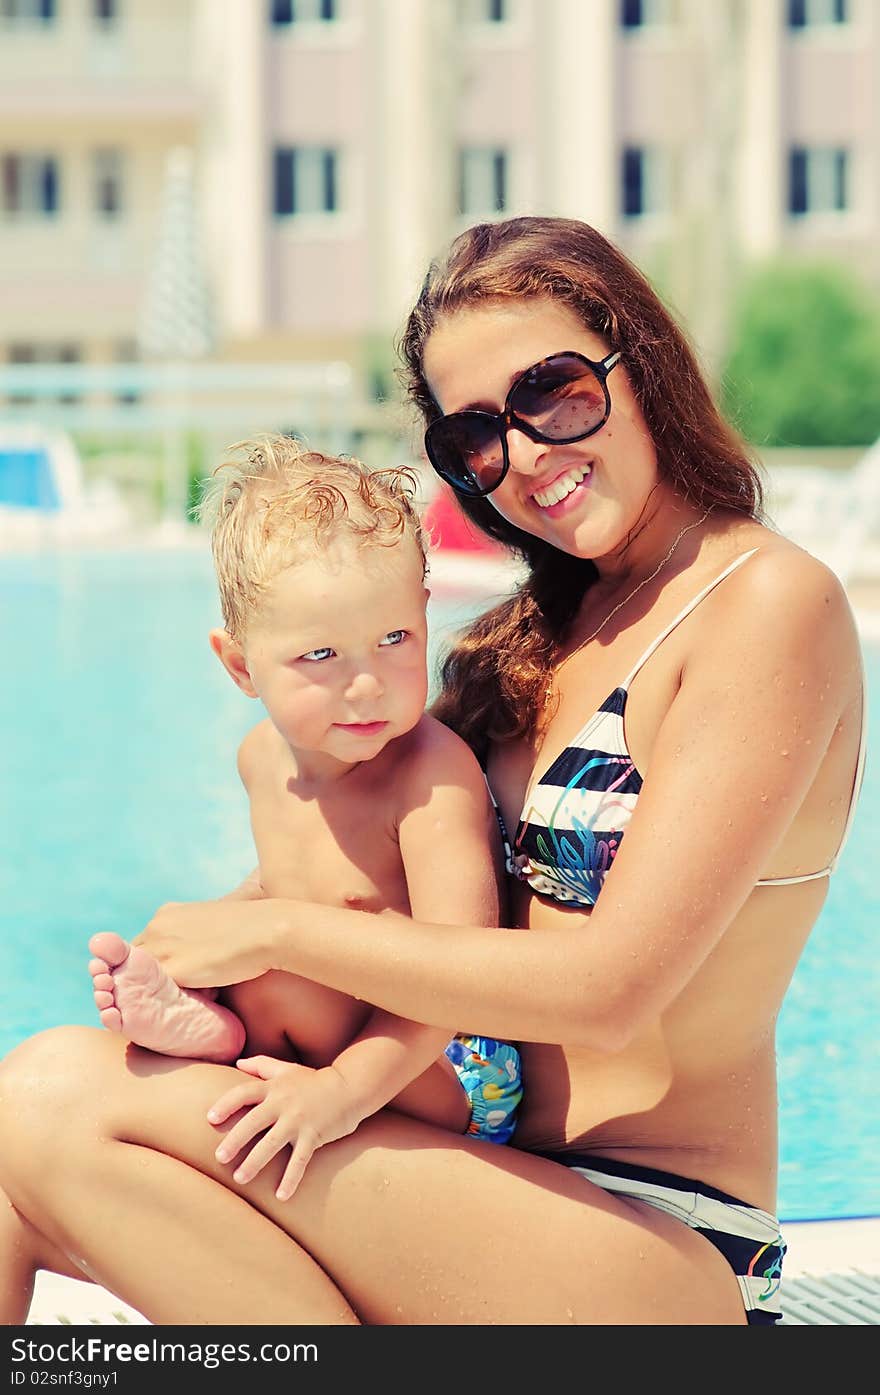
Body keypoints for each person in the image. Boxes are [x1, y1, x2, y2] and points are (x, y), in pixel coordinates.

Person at [0, 216, 866, 1327]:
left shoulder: (759, 607)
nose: (529, 455)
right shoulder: (518, 640)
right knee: (33, 1158)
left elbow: (611, 993)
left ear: (637, 362)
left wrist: (271, 937)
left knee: (50, 1098)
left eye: (553, 391)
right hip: (458, 1171)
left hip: (648, 1239)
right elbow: (362, 883)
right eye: (476, 439)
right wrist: (208, 972)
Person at [87, 438, 522, 1200]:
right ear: (241, 666)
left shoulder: (430, 775)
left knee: (291, 971)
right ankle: (213, 1021)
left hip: (449, 1063)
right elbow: (287, 884)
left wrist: (342, 1092)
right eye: (320, 654)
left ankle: (232, 1034)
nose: (366, 686)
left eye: (394, 640)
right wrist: (197, 945)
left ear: (425, 615)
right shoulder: (262, 758)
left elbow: (466, 975)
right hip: (334, 1028)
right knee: (245, 953)